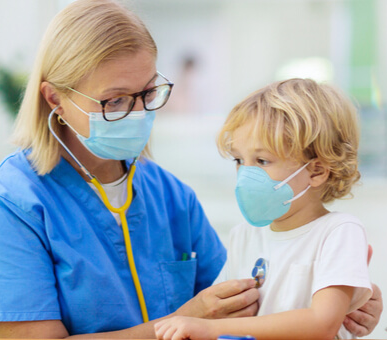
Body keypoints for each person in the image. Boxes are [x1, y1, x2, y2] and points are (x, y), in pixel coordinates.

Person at [0, 0, 382, 338]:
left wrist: (341, 295)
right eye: (115, 100)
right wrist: (184, 319)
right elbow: (203, 318)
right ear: (55, 100)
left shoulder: (170, 195)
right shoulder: (7, 206)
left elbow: (242, 306)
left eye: (148, 93)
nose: (139, 113)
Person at [155, 79, 374, 340]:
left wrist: (211, 328)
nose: (246, 174)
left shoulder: (338, 232)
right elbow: (226, 316)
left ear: (316, 171)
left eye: (262, 160)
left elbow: (322, 323)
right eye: (239, 160)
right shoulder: (244, 236)